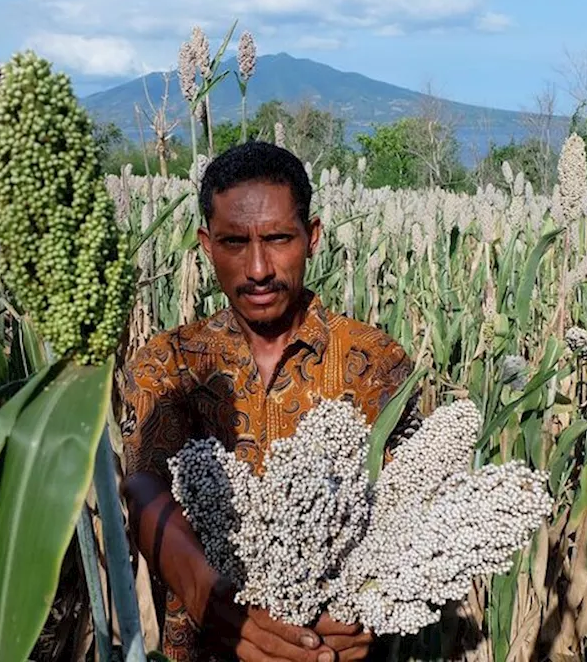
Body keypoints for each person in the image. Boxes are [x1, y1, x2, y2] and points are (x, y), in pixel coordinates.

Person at [120, 141, 417, 662]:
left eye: (279, 238)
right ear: (206, 245)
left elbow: (410, 502)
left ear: (313, 237)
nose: (257, 268)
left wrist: (371, 602)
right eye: (235, 242)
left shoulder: (376, 361)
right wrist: (205, 595)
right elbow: (144, 485)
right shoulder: (169, 363)